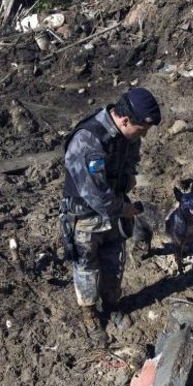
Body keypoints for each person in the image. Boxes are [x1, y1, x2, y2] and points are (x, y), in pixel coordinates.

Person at [60, 88, 161, 344]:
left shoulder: (127, 135)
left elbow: (130, 160)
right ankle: (90, 315)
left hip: (112, 212)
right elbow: (96, 195)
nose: (143, 136)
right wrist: (125, 210)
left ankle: (112, 304)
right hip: (86, 217)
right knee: (87, 266)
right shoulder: (88, 141)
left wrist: (127, 177)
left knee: (115, 261)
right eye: (141, 130)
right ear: (125, 120)